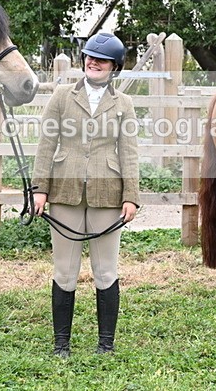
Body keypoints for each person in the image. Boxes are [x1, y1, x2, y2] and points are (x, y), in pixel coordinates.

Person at [32, 32, 140, 357]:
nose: (93, 62)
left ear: (114, 67)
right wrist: (39, 189)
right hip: (64, 191)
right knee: (64, 271)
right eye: (90, 56)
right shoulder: (62, 96)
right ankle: (60, 345)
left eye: (101, 59)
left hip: (108, 193)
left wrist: (131, 196)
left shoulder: (124, 104)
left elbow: (129, 153)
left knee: (105, 270)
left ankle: (105, 345)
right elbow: (46, 145)